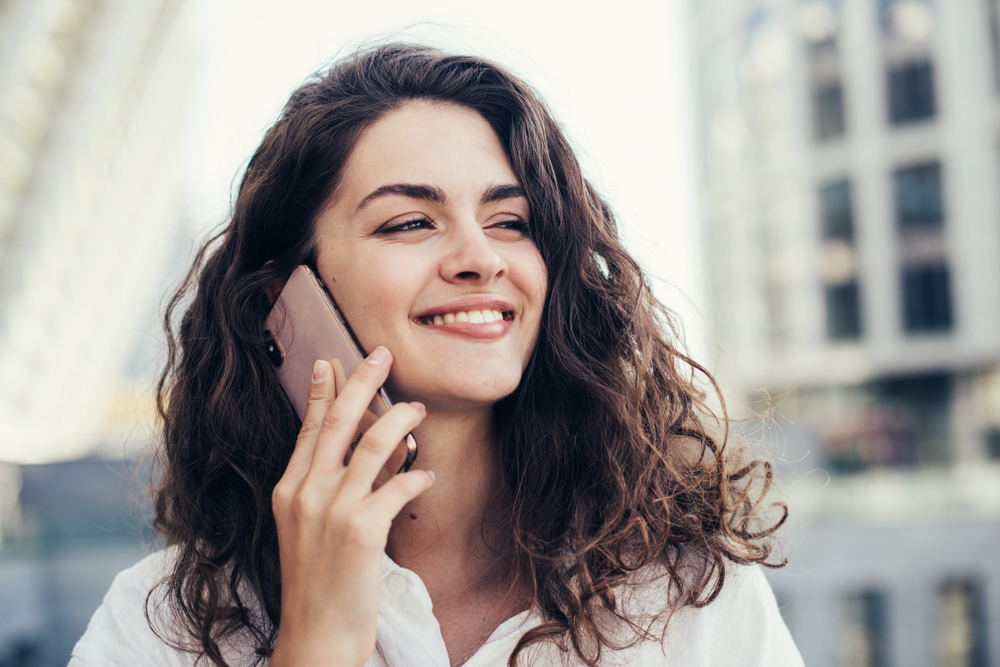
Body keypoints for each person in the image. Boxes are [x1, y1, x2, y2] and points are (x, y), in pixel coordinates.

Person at [69, 44, 802, 667]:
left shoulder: (687, 592)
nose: (480, 258)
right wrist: (315, 643)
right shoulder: (155, 626)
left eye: (509, 220)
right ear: (283, 306)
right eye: (412, 221)